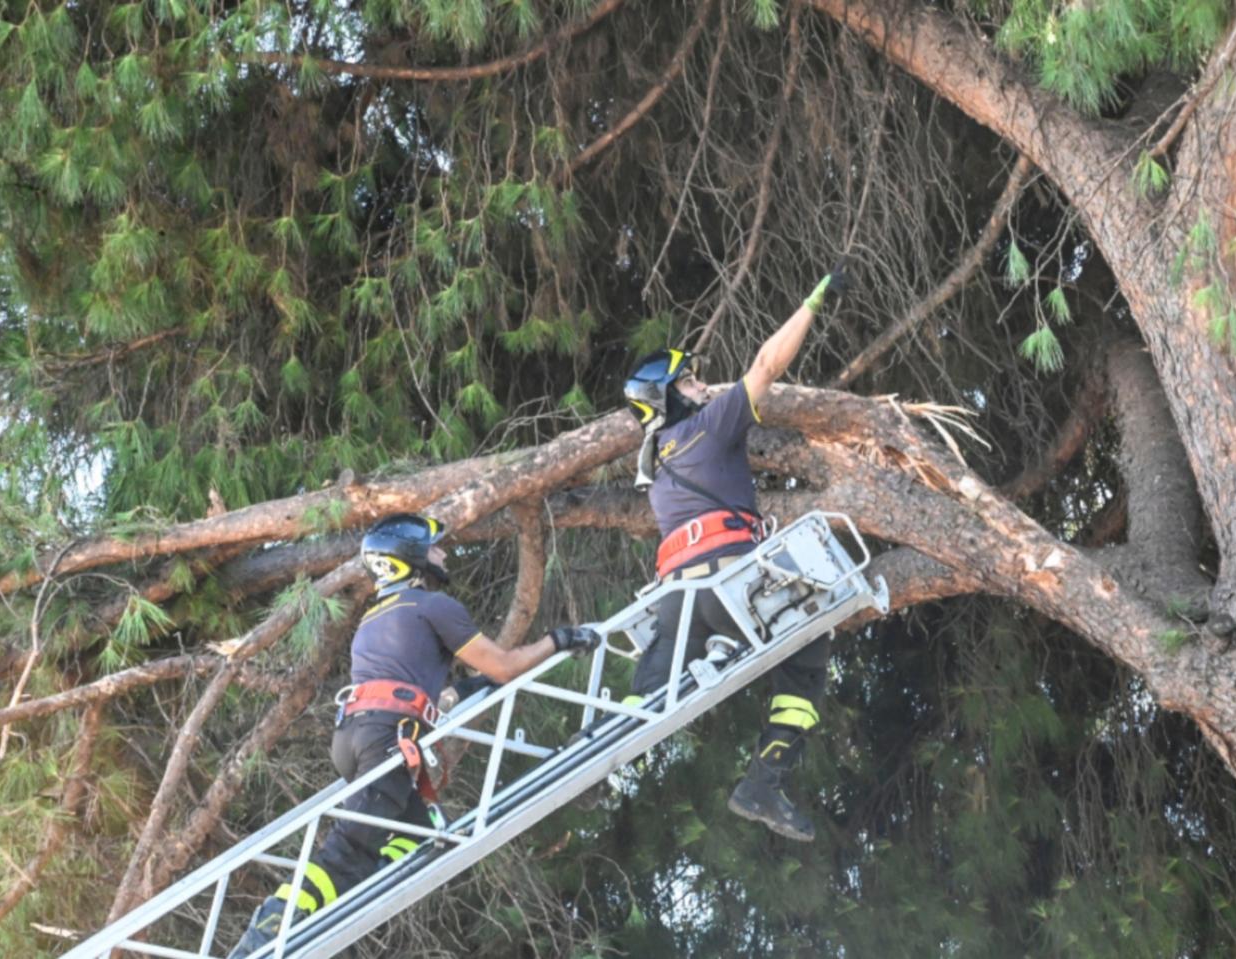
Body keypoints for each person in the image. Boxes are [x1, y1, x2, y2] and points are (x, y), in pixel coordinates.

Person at [229, 513, 599, 958]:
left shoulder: (374, 619)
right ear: (410, 558)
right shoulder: (433, 606)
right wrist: (559, 640)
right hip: (388, 739)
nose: (443, 553)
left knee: (419, 833)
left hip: (358, 737)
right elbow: (504, 666)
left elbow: (430, 695)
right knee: (347, 850)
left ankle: (357, 889)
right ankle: (268, 930)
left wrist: (470, 689)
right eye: (435, 547)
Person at [623, 269, 847, 842]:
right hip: (730, 589)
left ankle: (603, 747)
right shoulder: (708, 426)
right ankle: (763, 783)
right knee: (807, 657)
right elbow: (767, 365)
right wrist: (812, 303)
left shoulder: (656, 467)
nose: (703, 386)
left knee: (644, 702)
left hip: (679, 607)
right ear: (671, 396)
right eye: (691, 381)